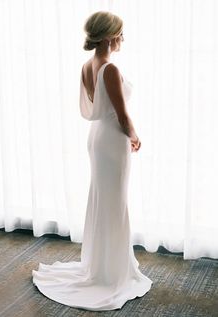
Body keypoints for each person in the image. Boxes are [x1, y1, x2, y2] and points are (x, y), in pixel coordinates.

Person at [32, 11, 153, 311]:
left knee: (105, 200)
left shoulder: (87, 65)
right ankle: (111, 272)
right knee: (114, 202)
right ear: (111, 36)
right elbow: (122, 114)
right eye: (121, 34)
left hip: (98, 137)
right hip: (112, 139)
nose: (123, 39)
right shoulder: (109, 69)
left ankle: (103, 265)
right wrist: (135, 136)